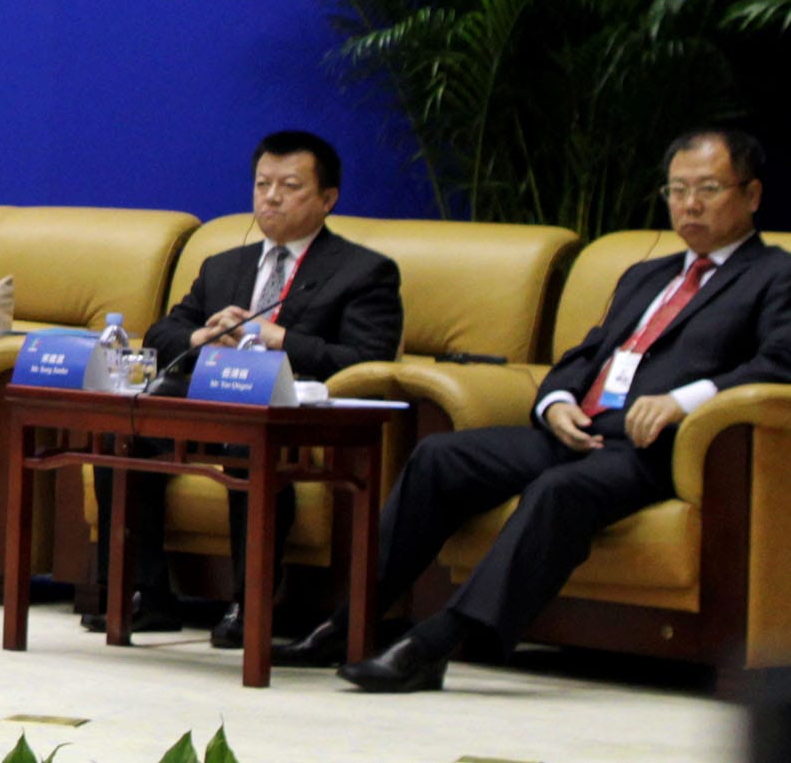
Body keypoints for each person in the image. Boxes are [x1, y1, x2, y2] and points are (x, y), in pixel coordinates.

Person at [325, 129, 791, 690]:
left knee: (559, 491)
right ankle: (350, 621)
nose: (689, 204)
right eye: (677, 189)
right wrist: (556, 401)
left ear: (753, 194)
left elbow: (780, 363)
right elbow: (587, 352)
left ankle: (435, 643)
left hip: (659, 448)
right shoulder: (648, 274)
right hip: (579, 430)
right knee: (438, 457)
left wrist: (682, 402)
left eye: (709, 189)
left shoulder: (775, 275)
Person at [88, 130, 402, 645]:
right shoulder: (222, 266)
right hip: (209, 404)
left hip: (290, 417)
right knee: (126, 435)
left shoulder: (363, 272)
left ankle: (249, 603)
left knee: (247, 446)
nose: (271, 197)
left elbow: (367, 359)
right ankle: (145, 594)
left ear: (328, 199)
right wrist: (201, 334)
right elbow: (163, 333)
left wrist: (279, 339)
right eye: (262, 184)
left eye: (290, 185)